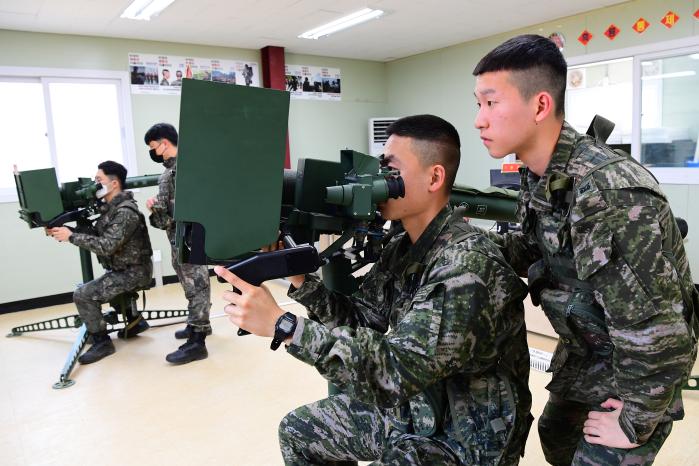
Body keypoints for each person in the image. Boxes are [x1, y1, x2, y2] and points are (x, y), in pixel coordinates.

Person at [215, 114, 533, 465]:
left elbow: (393, 371)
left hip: (465, 438)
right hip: (418, 407)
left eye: (391, 170)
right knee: (299, 431)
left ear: (434, 177)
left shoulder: (465, 267)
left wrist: (285, 326)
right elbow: (363, 319)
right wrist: (299, 279)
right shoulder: (406, 247)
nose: (379, 180)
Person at [472, 34, 698, 465]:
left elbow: (658, 331)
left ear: (539, 106)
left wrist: (636, 422)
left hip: (640, 366)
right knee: (556, 432)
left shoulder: (608, 192)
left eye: (490, 103)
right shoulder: (544, 174)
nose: (479, 120)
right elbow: (530, 247)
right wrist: (458, 246)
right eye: (478, 104)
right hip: (590, 348)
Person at [48, 161, 153, 364]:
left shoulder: (125, 212)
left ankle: (102, 342)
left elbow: (106, 246)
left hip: (134, 272)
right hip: (122, 269)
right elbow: (95, 234)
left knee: (83, 294)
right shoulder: (110, 209)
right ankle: (135, 322)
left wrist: (71, 237)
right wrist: (64, 230)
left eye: (99, 180)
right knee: (103, 286)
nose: (96, 185)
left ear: (114, 184)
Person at [145, 123, 212, 364]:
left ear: (164, 143)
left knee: (197, 284)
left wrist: (159, 209)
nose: (154, 153)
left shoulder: (187, 168)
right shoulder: (170, 171)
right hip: (177, 236)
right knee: (189, 282)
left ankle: (198, 340)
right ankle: (198, 323)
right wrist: (158, 208)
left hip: (192, 235)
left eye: (154, 147)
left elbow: (197, 203)